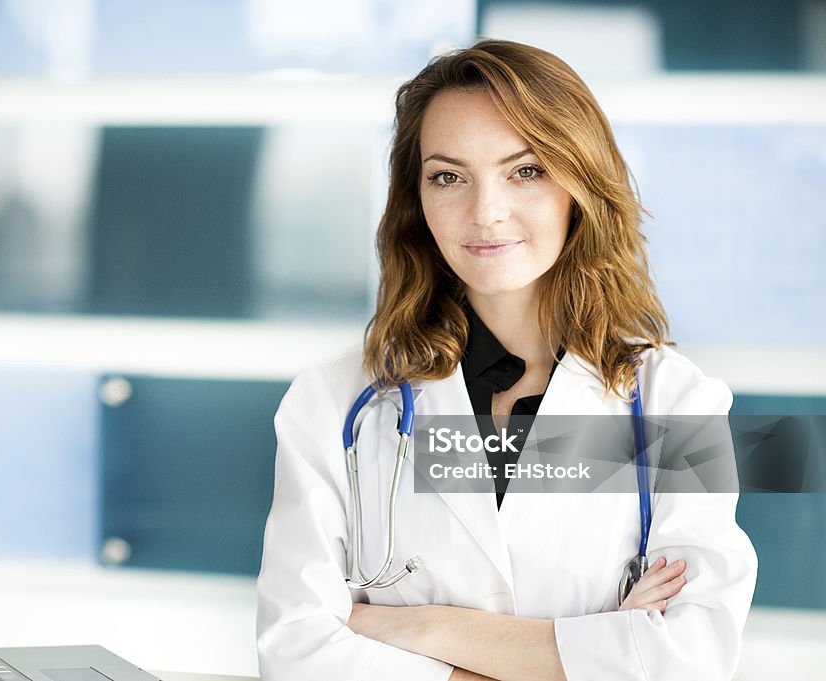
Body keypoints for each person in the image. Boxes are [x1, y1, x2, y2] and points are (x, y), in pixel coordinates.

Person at [255, 39, 757, 681]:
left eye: (526, 170)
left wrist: (417, 628)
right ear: (418, 203)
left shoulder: (676, 405)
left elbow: (689, 659)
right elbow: (296, 653)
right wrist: (590, 650)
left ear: (580, 184)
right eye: (448, 176)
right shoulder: (332, 402)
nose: (485, 212)